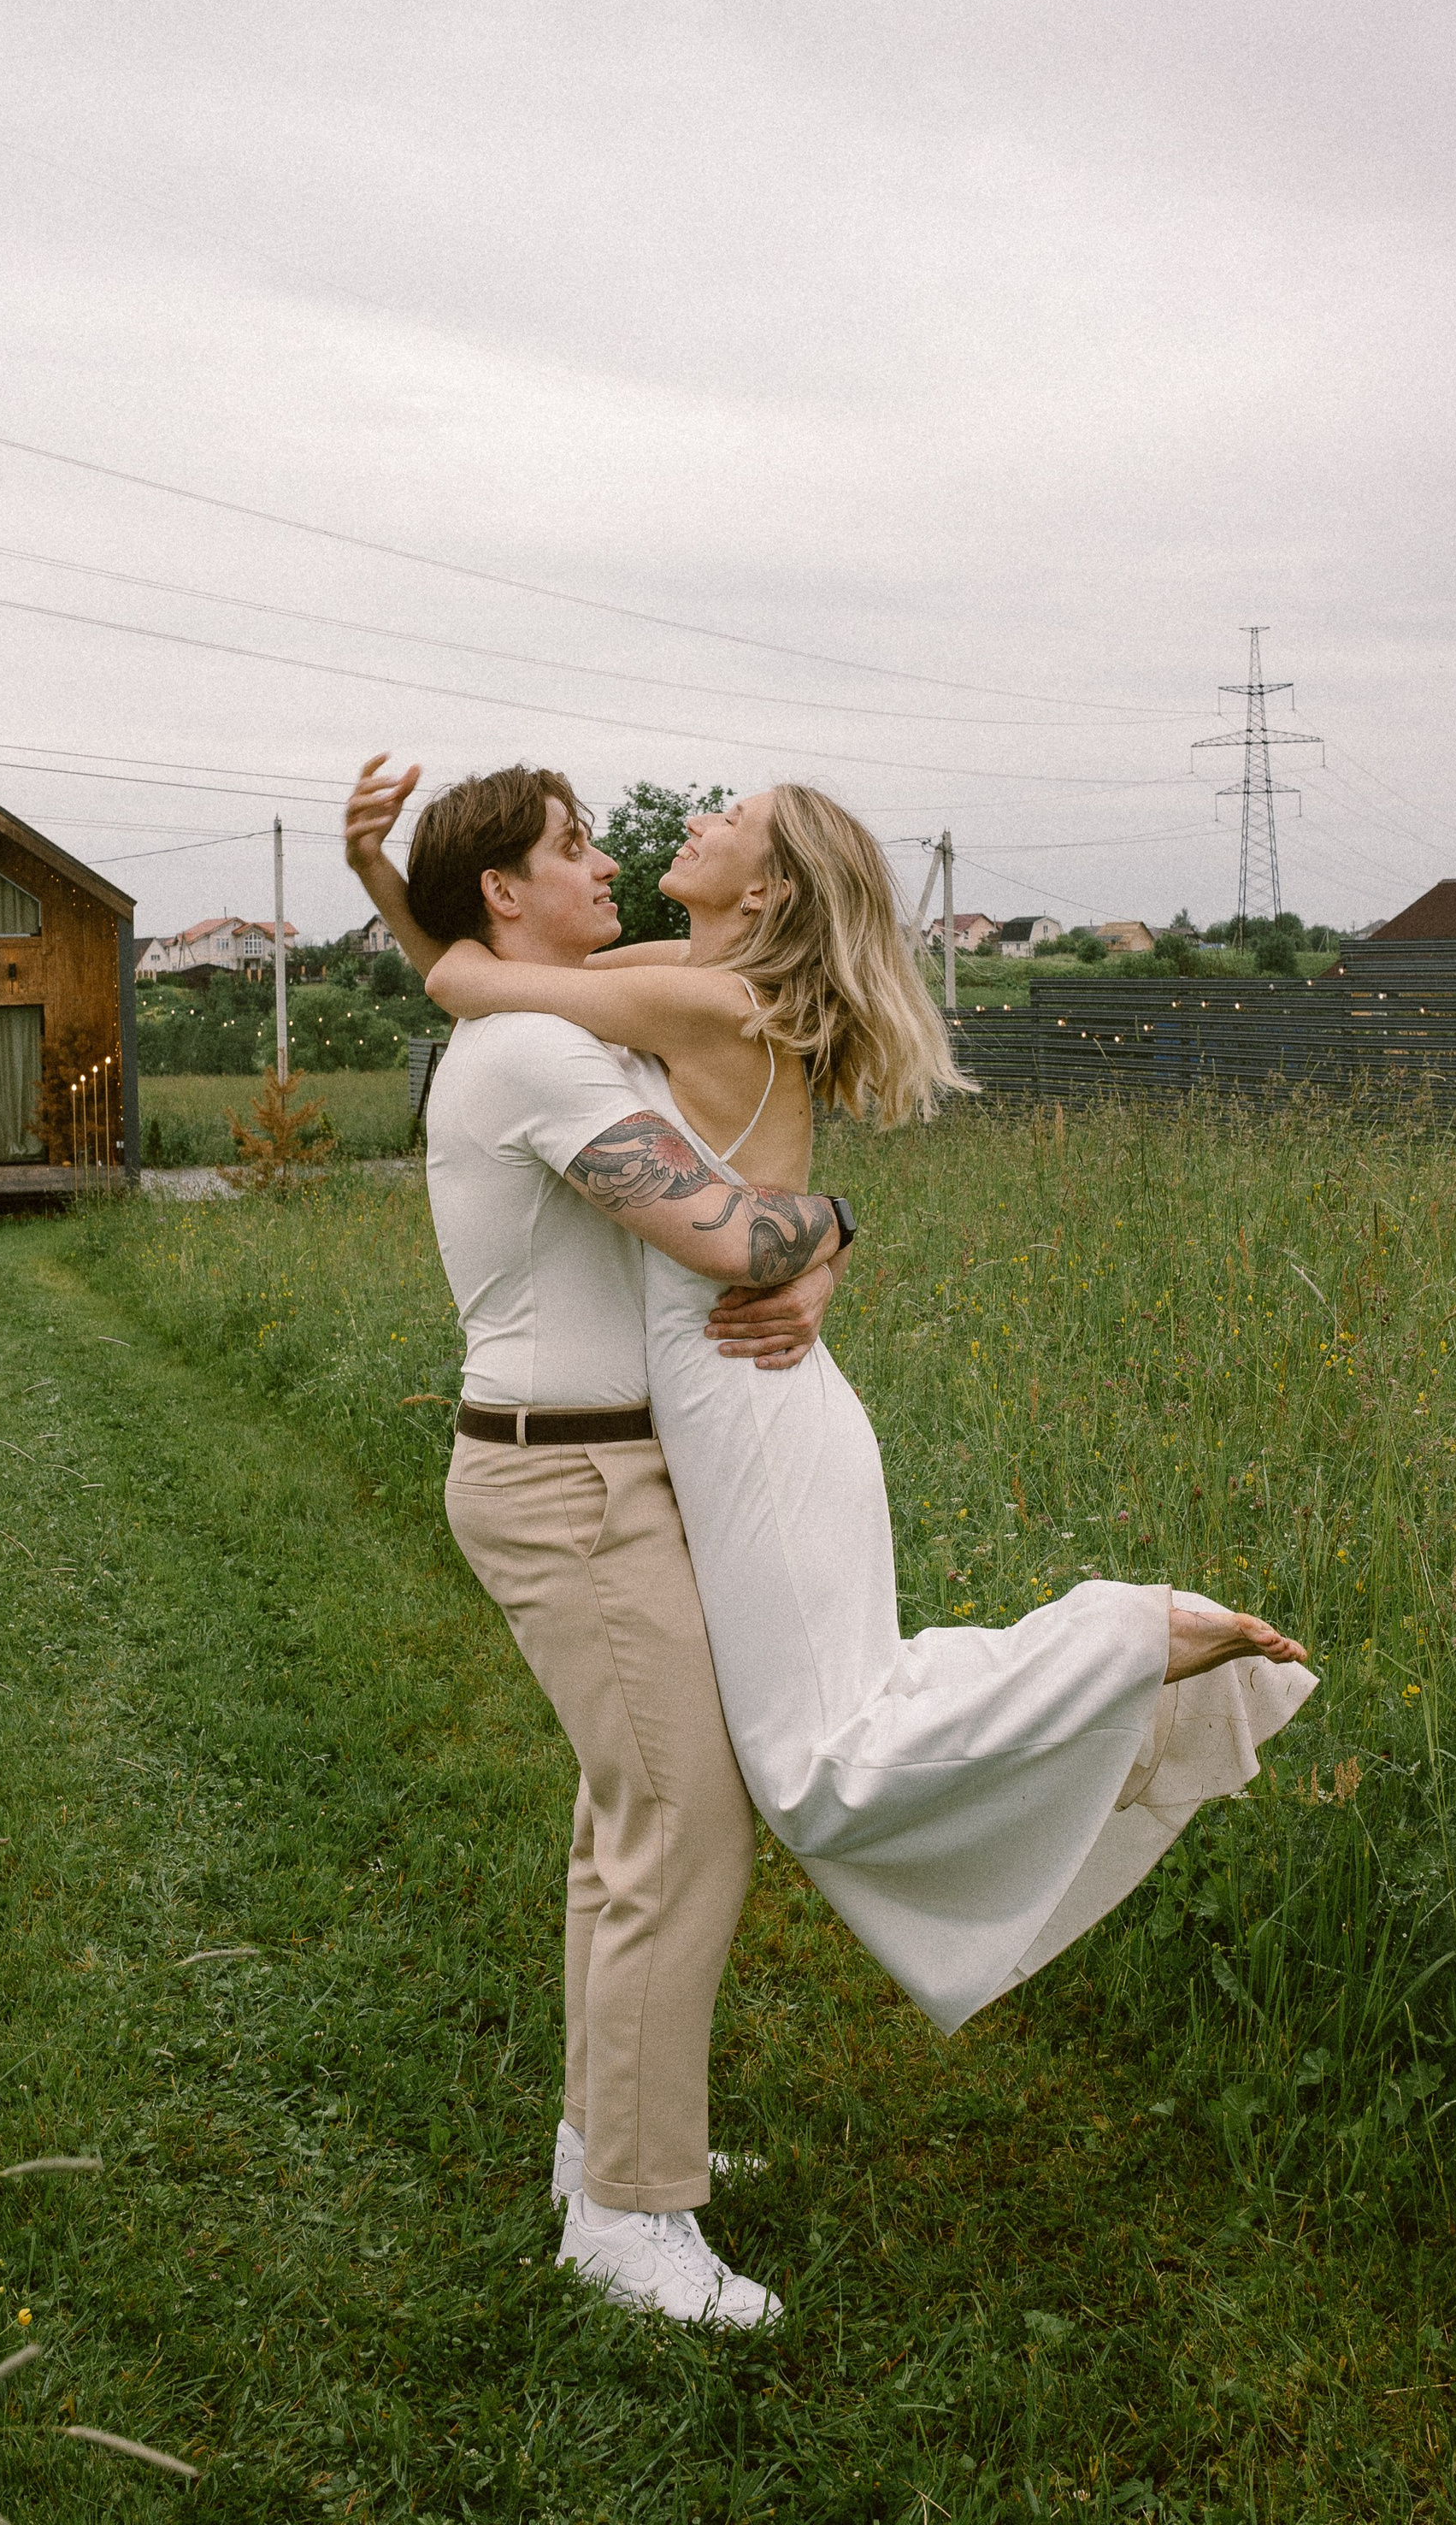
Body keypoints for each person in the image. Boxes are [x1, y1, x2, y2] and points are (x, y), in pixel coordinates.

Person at [349, 757, 1315, 2050]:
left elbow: (470, 976)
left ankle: (1123, 1643)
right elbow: (488, 968)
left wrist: (385, 880)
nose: (689, 823)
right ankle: (1116, 1653)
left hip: (742, 1391)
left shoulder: (703, 1004)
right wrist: (832, 1235)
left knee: (814, 1764)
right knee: (836, 1713)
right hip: (741, 1385)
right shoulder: (684, 982)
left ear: (769, 889)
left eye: (728, 821)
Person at [344, 758, 851, 2329]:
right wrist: (828, 1234)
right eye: (575, 850)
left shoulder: (554, 1028)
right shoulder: (537, 1059)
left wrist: (815, 1236)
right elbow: (734, 1233)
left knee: (628, 1825)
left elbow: (462, 971)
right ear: (509, 892)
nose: (608, 862)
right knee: (683, 1830)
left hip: (604, 1473)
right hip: (569, 1484)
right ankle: (631, 2222)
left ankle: (608, 2145)